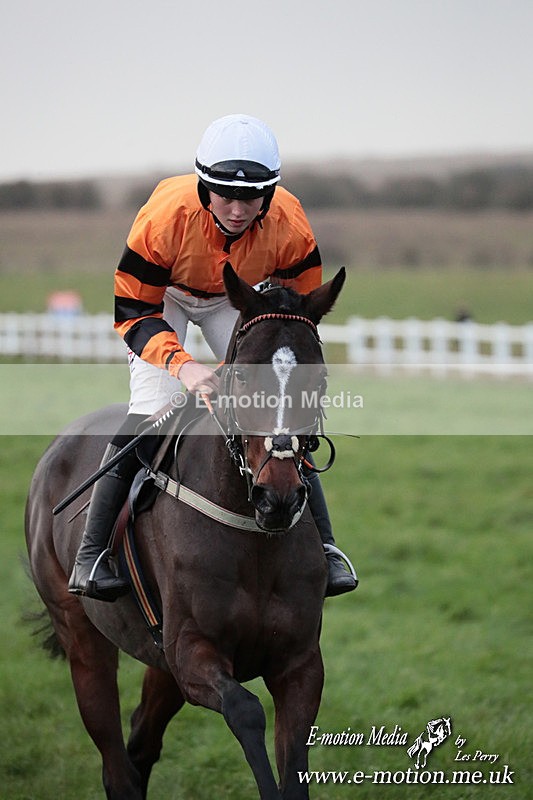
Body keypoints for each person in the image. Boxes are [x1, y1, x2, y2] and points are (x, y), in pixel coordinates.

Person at [68, 114, 357, 602]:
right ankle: (93, 554)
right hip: (164, 298)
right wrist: (187, 367)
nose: (239, 210)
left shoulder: (289, 223)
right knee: (152, 410)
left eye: (252, 197)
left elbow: (297, 321)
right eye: (226, 195)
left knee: (280, 412)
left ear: (270, 194)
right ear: (204, 187)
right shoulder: (163, 219)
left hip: (237, 300)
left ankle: (326, 547)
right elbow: (133, 311)